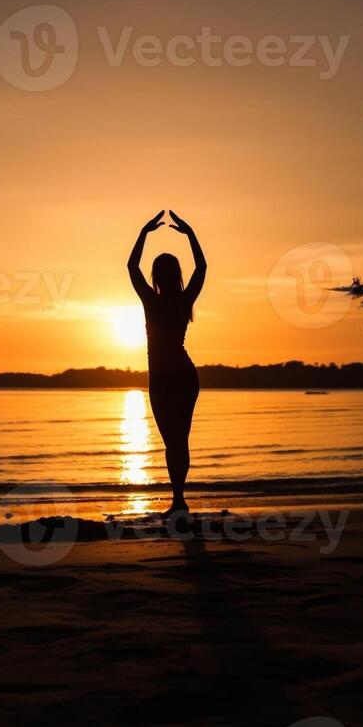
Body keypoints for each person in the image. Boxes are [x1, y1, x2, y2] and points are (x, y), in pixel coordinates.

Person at [127, 210, 207, 516]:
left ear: (156, 277)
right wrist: (190, 234)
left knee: (171, 442)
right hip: (184, 377)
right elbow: (201, 267)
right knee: (179, 440)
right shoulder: (183, 302)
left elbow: (132, 266)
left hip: (162, 379)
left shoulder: (152, 301)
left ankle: (178, 501)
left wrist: (144, 232)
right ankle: (178, 500)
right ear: (176, 275)